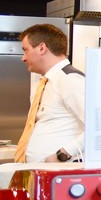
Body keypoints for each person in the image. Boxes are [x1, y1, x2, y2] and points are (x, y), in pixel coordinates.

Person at [16, 23, 85, 163]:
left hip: (61, 171)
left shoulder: (70, 79)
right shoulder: (41, 84)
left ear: (42, 48)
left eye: (26, 50)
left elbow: (100, 127)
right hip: (39, 170)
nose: (23, 58)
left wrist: (63, 154)